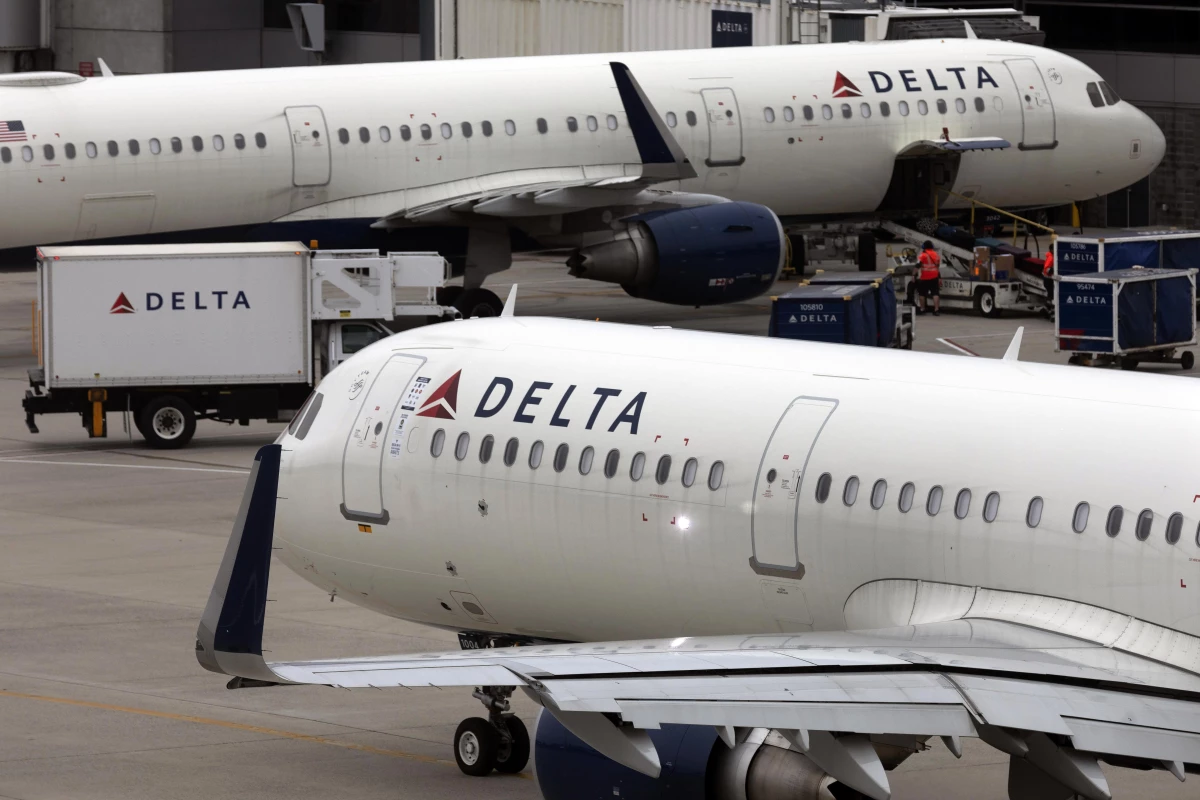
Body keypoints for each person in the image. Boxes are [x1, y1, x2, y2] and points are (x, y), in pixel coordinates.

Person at [915, 240, 941, 315]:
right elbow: (937, 267)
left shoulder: (922, 255)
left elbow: (917, 266)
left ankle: (922, 309)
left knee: (922, 294)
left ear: (923, 247)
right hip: (935, 277)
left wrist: (913, 275)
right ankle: (936, 310)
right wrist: (939, 277)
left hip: (924, 278)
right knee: (935, 293)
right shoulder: (936, 255)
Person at [1042, 249, 1055, 315]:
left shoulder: (1051, 256)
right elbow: (1046, 269)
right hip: (1049, 279)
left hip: (1048, 279)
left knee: (1050, 295)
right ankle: (1048, 310)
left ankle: (1047, 309)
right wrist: (1054, 269)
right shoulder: (1051, 258)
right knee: (1051, 295)